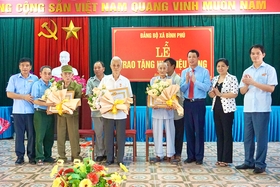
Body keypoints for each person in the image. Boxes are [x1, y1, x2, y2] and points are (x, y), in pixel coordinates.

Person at [235, 44, 278, 174]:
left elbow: (271, 88)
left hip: (262, 108)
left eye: (257, 53)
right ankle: (248, 161)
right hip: (248, 108)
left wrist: (253, 83)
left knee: (261, 138)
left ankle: (260, 164)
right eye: (253, 53)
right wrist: (247, 84)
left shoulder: (270, 69)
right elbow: (242, 91)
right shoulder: (247, 71)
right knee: (248, 137)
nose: (255, 56)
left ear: (263, 54)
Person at [98, 56, 133, 166]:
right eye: (114, 65)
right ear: (110, 66)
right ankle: (109, 159)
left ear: (121, 67)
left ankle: (120, 159)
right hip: (108, 113)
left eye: (118, 65)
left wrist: (124, 105)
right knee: (108, 136)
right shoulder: (105, 80)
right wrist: (100, 105)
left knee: (120, 137)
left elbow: (129, 97)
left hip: (121, 114)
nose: (116, 67)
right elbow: (99, 95)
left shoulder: (126, 81)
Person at [180, 49, 211, 165]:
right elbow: (182, 89)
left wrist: (195, 81)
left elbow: (207, 87)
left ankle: (199, 157)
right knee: (189, 131)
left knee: (199, 130)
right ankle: (190, 156)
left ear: (198, 58)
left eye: (194, 57)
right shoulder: (184, 72)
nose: (191, 59)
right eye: (189, 57)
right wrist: (187, 82)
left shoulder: (204, 72)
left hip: (199, 103)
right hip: (187, 103)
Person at [6, 57, 38, 165]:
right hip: (18, 111)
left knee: (31, 135)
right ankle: (19, 156)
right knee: (19, 135)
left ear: (30, 67)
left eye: (27, 65)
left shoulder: (35, 78)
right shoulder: (13, 79)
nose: (25, 67)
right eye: (22, 65)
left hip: (31, 111)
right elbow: (9, 94)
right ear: (19, 67)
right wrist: (24, 97)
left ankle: (32, 156)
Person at [208, 58, 238, 167]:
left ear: (227, 67)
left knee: (227, 133)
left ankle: (226, 159)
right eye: (218, 66)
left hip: (227, 110)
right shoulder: (215, 79)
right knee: (219, 134)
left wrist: (220, 94)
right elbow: (211, 95)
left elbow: (234, 94)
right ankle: (219, 158)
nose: (220, 68)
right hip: (216, 109)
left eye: (223, 66)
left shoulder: (232, 78)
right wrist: (212, 93)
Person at [56, 65, 82, 162]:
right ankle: (61, 156)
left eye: (69, 74)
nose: (67, 76)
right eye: (65, 74)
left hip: (72, 114)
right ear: (61, 75)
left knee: (73, 134)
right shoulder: (58, 86)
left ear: (72, 75)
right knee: (61, 134)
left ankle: (76, 156)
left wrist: (70, 107)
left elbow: (78, 101)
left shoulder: (77, 86)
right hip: (61, 114)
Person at [31, 65, 56, 165]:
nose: (47, 75)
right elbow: (35, 100)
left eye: (49, 73)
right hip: (40, 113)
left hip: (50, 113)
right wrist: (46, 104)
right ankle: (39, 157)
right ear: (40, 74)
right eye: (44, 73)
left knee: (49, 137)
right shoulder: (36, 85)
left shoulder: (53, 86)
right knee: (39, 136)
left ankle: (47, 156)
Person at [150, 61, 175, 162]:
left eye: (164, 68)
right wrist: (153, 104)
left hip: (168, 111)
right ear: (157, 69)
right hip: (157, 111)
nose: (162, 70)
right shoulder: (153, 80)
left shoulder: (171, 80)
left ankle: (170, 154)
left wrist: (171, 104)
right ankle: (158, 154)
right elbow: (151, 94)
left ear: (167, 69)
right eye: (160, 68)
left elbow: (173, 95)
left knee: (170, 132)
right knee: (157, 132)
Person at [86, 61, 107, 162]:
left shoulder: (108, 80)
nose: (97, 69)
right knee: (98, 133)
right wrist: (95, 100)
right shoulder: (91, 81)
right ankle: (100, 153)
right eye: (95, 68)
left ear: (104, 69)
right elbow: (88, 94)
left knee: (108, 133)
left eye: (99, 67)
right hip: (96, 111)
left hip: (108, 111)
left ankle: (108, 152)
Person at [164, 58, 184, 162]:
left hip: (177, 110)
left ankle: (178, 153)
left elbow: (178, 94)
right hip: (166, 110)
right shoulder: (163, 79)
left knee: (178, 132)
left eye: (167, 65)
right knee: (170, 132)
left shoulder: (178, 79)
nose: (165, 67)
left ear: (173, 66)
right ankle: (169, 152)